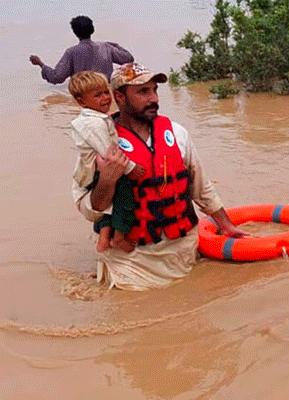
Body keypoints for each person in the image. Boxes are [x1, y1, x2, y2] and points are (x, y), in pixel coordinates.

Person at [72, 62, 247, 291]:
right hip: (132, 263)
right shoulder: (100, 142)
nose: (153, 98)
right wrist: (107, 179)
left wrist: (227, 226)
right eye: (143, 92)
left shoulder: (177, 133)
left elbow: (201, 189)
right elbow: (90, 209)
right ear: (120, 97)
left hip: (183, 253)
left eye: (154, 90)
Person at [68, 71, 146, 253]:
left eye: (106, 92)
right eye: (98, 95)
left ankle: (103, 239)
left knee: (108, 203)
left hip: (93, 171)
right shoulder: (92, 124)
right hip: (97, 171)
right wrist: (131, 168)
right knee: (125, 197)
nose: (105, 98)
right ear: (81, 102)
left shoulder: (95, 119)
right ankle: (119, 238)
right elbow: (108, 152)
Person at [29, 15, 134, 84]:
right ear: (92, 30)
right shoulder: (106, 47)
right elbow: (128, 58)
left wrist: (41, 64)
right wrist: (114, 45)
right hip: (105, 91)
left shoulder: (72, 52)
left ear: (75, 32)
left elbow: (57, 77)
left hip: (85, 94)